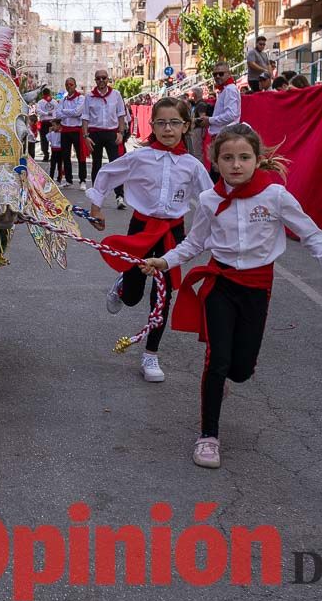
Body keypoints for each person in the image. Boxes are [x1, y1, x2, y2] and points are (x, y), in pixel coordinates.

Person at [141, 123, 322, 469]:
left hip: (257, 287)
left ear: (258, 160)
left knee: (240, 370)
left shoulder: (276, 196)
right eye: (228, 158)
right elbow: (195, 242)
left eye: (244, 157)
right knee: (216, 360)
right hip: (220, 284)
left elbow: (311, 233)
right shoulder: (209, 200)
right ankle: (208, 435)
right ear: (215, 161)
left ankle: (224, 381)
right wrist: (164, 260)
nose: (236, 165)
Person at [88, 97, 213, 383]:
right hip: (141, 229)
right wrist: (96, 207)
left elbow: (210, 200)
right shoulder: (139, 157)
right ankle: (123, 287)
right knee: (133, 296)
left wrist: (225, 226)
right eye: (161, 122)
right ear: (152, 126)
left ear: (186, 126)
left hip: (173, 234)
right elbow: (108, 173)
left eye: (174, 123)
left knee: (163, 294)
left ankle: (151, 354)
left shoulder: (192, 166)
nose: (168, 129)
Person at [83, 70, 128, 208]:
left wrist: (121, 133)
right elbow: (85, 118)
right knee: (96, 165)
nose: (101, 80)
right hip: (95, 134)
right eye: (98, 78)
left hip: (111, 133)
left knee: (115, 164)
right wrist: (86, 137)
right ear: (95, 80)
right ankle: (97, 196)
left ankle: (119, 196)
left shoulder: (116, 95)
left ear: (108, 79)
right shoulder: (89, 97)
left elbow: (121, 115)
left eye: (104, 78)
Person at [194, 62, 241, 180]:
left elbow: (231, 114)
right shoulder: (226, 90)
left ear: (229, 74)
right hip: (222, 135)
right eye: (215, 74)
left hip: (225, 136)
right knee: (218, 171)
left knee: (220, 172)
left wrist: (210, 120)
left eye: (221, 74)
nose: (217, 77)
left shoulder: (230, 90)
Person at [56, 76, 88, 188]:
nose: (69, 86)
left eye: (71, 84)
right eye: (67, 85)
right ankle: (69, 180)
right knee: (65, 156)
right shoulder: (63, 99)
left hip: (76, 129)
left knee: (81, 156)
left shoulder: (81, 98)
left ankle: (83, 180)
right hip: (65, 130)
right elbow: (58, 114)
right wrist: (69, 112)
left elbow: (78, 112)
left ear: (75, 86)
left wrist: (64, 111)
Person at [35, 87, 55, 161]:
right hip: (53, 123)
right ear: (49, 93)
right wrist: (50, 114)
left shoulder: (40, 102)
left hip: (44, 123)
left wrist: (46, 114)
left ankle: (46, 155)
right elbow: (57, 111)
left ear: (43, 94)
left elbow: (38, 111)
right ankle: (53, 155)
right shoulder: (54, 102)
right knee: (53, 139)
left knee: (44, 140)